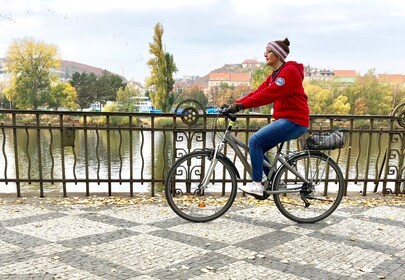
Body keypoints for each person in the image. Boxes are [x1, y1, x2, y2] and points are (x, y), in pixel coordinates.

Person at [227, 38, 309, 196]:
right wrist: (235, 104)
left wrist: (242, 106)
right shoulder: (275, 75)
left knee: (255, 141)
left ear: (278, 54)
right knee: (257, 147)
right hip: (287, 119)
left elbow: (269, 94)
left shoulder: (288, 73)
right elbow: (258, 92)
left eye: (269, 51)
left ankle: (257, 184)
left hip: (295, 120)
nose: (265, 54)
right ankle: (268, 181)